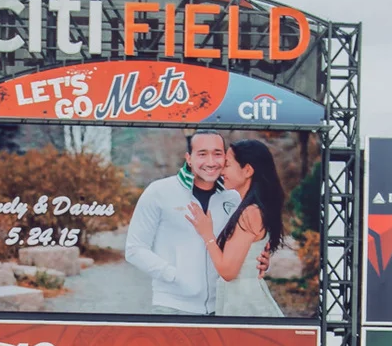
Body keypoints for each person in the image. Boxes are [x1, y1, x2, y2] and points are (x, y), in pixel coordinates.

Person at [122, 132, 242, 313]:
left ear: (225, 157)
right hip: (172, 306)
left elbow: (241, 245)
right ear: (189, 158)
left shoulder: (232, 197)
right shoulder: (159, 191)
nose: (211, 162)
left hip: (222, 308)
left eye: (217, 153)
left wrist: (261, 262)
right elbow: (134, 249)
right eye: (202, 154)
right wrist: (173, 275)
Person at [183, 138, 287, 317]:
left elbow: (228, 271)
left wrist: (207, 234)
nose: (222, 171)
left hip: (244, 303)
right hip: (240, 298)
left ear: (247, 170)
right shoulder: (250, 208)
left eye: (228, 165)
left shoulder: (250, 213)